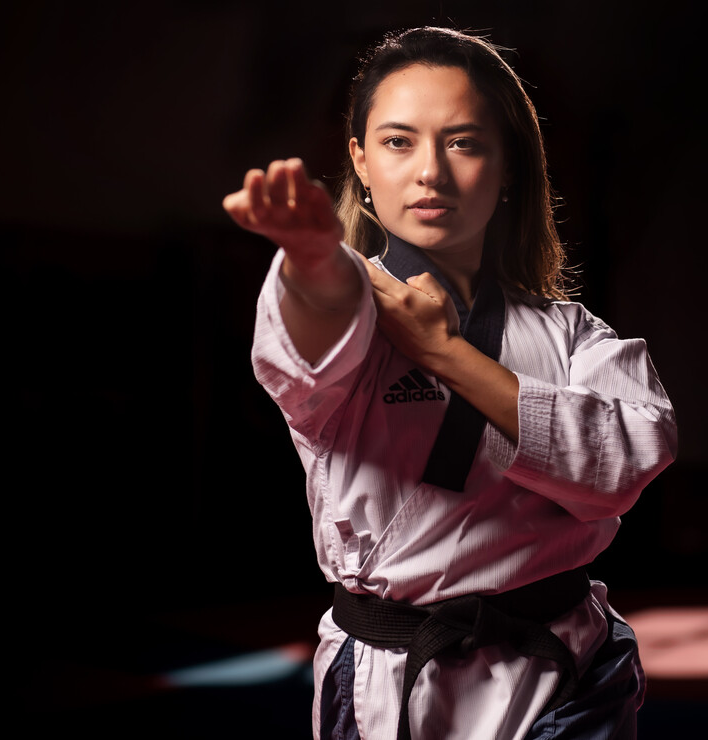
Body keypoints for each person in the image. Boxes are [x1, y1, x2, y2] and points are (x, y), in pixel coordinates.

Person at [222, 26, 677, 740]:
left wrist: (444, 351)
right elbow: (313, 333)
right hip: (392, 678)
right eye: (398, 142)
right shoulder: (346, 307)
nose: (430, 171)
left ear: (506, 165)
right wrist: (311, 259)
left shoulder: (574, 335)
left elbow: (623, 465)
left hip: (563, 668)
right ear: (360, 162)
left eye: (463, 142)